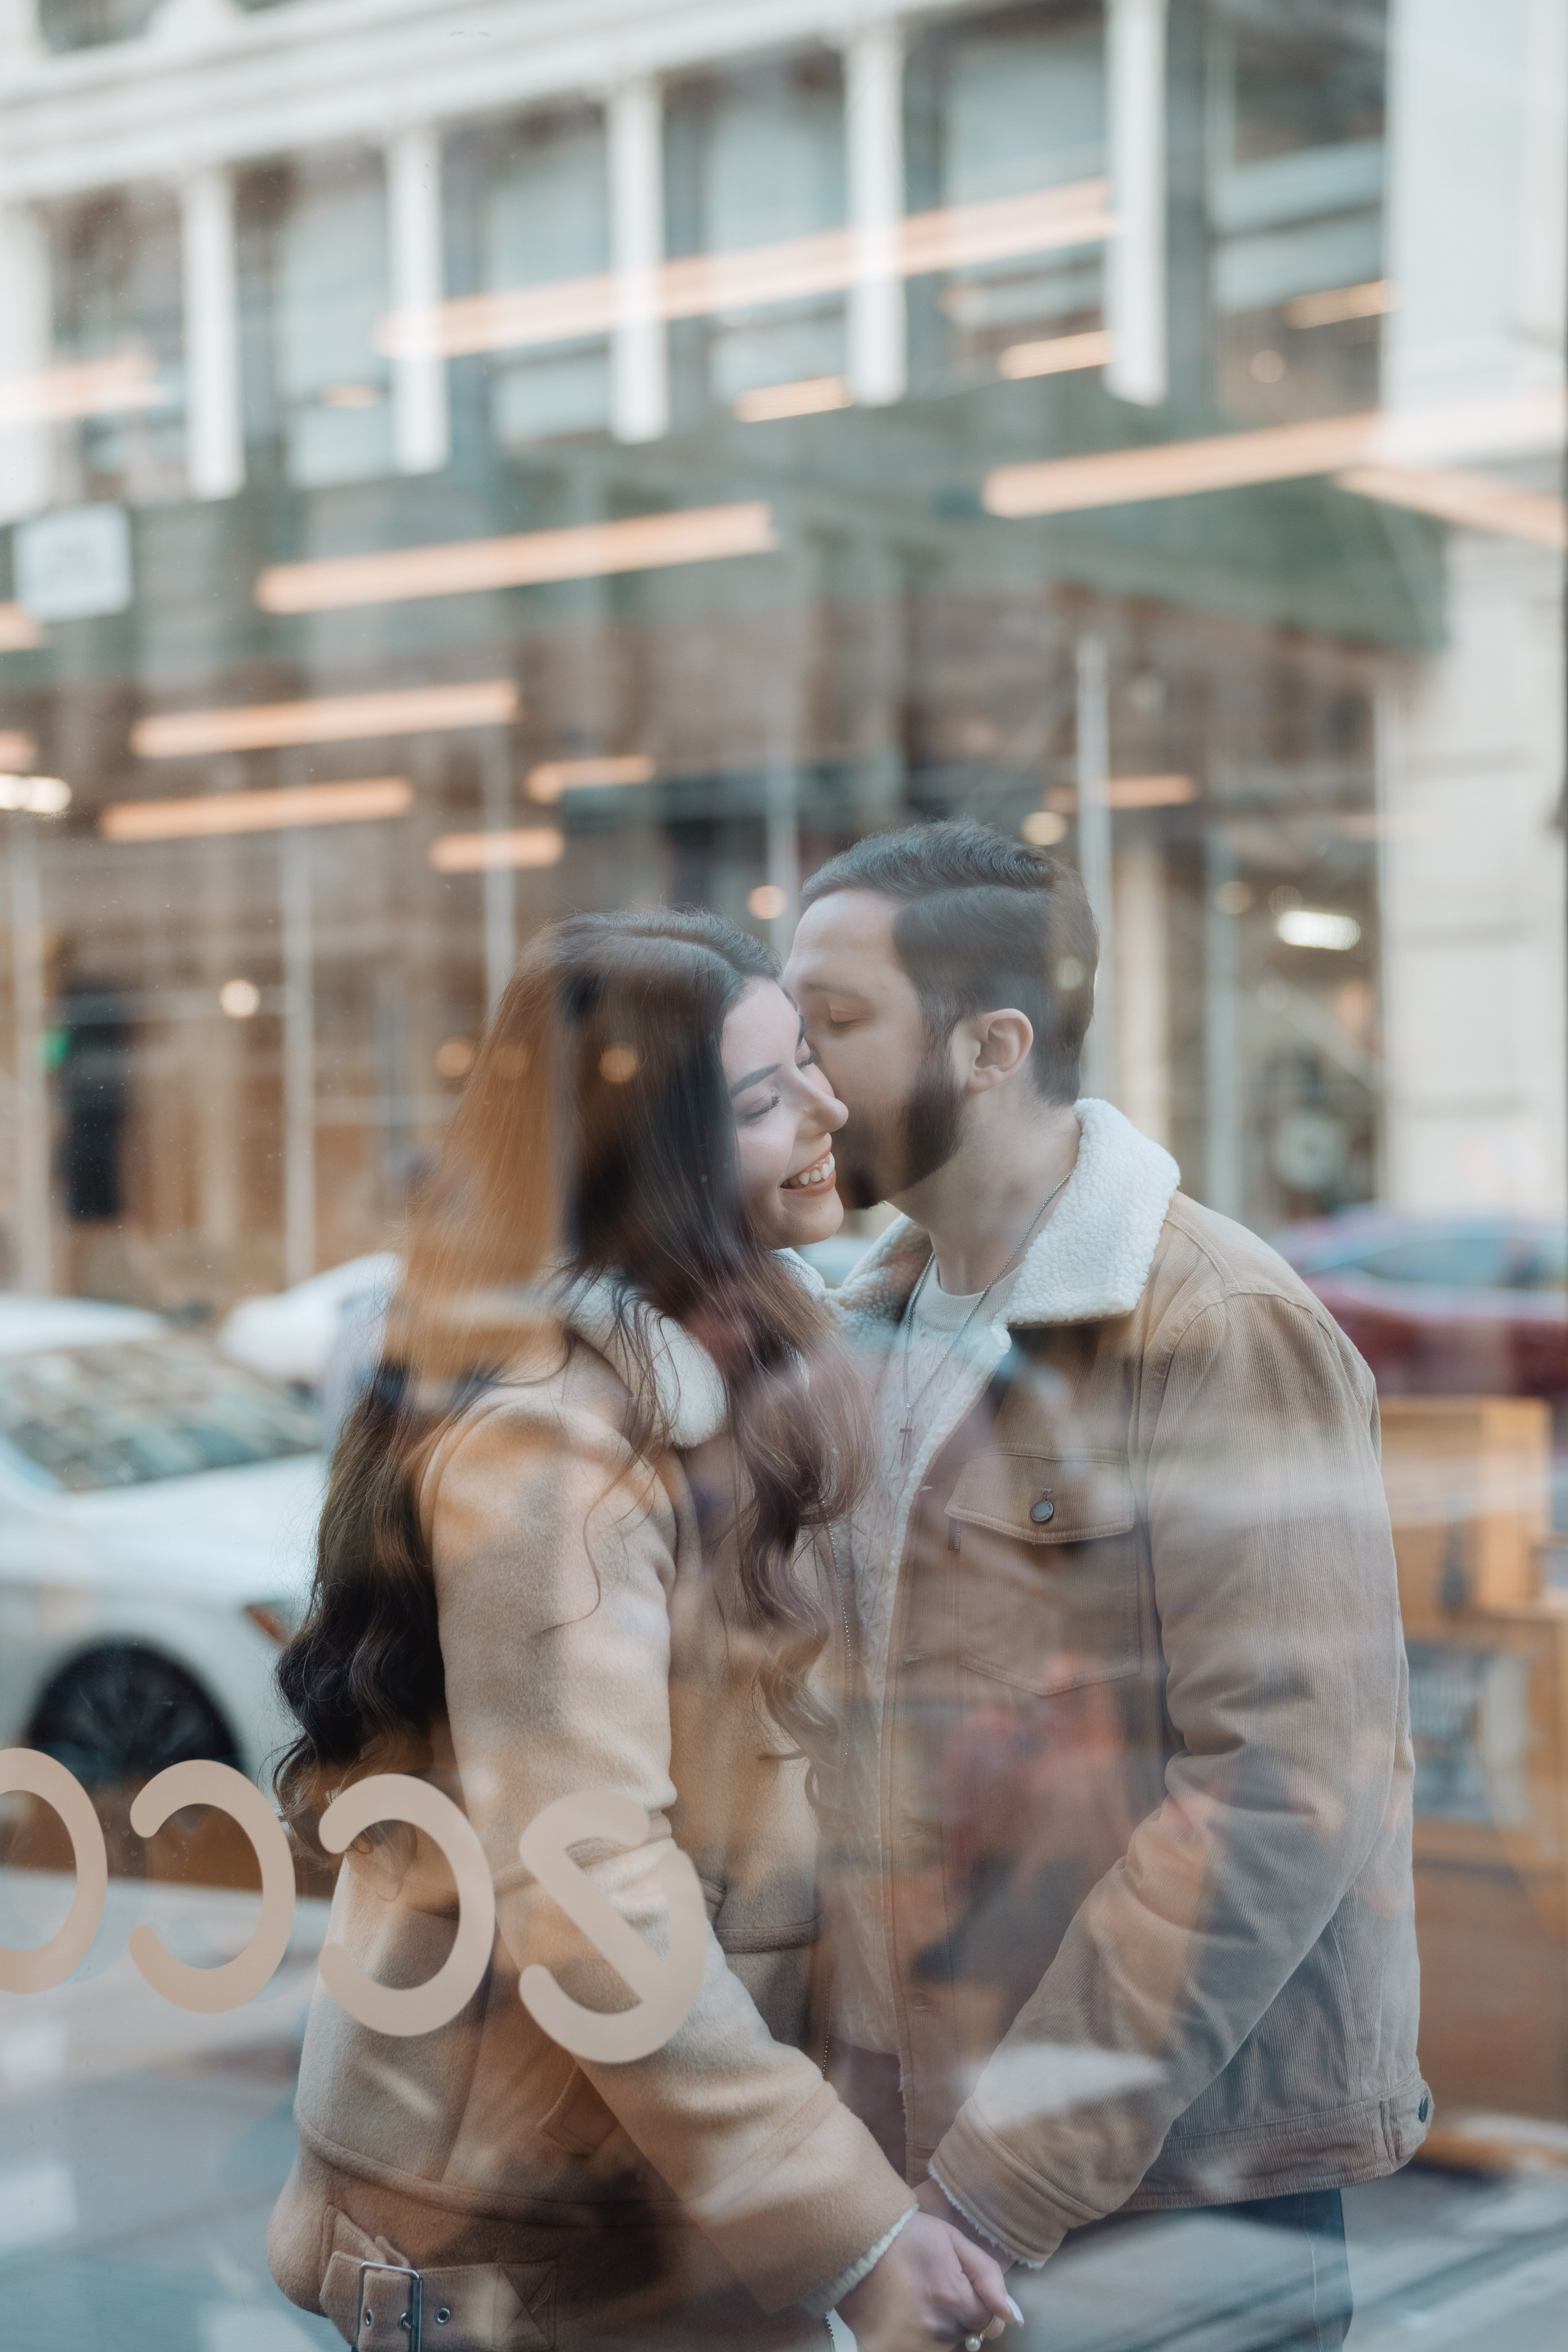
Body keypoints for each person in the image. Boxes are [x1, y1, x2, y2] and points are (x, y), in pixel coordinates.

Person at [265, 908, 1015, 2352]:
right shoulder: (553, 1447)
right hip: (527, 2227)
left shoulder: (748, 1372)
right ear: (647, 1165)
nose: (826, 1109)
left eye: (809, 1061)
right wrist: (848, 2229)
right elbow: (591, 1876)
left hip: (645, 2191)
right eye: (761, 1098)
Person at [782, 822, 1429, 2351]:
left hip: (1153, 2208)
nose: (800, 1076)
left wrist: (997, 2184)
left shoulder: (1210, 1325)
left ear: (991, 1044)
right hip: (910, 2178)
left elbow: (1279, 1788)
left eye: (836, 1022)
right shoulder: (860, 1327)